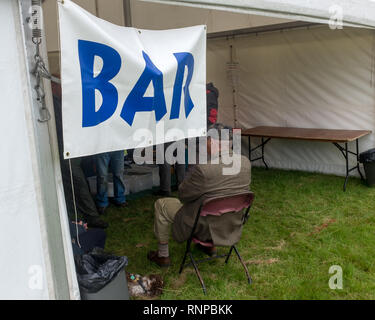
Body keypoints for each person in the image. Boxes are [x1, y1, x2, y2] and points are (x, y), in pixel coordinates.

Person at [147, 123, 251, 267]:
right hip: (231, 223)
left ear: (212, 141)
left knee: (162, 204)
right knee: (213, 204)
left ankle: (163, 255)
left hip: (202, 225)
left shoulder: (204, 170)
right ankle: (209, 246)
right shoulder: (245, 163)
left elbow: (183, 195)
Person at [51, 77, 108, 229]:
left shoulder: (61, 103)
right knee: (78, 184)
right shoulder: (53, 104)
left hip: (71, 150)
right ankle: (89, 217)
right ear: (54, 86)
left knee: (75, 185)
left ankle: (78, 217)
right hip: (66, 151)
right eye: (61, 86)